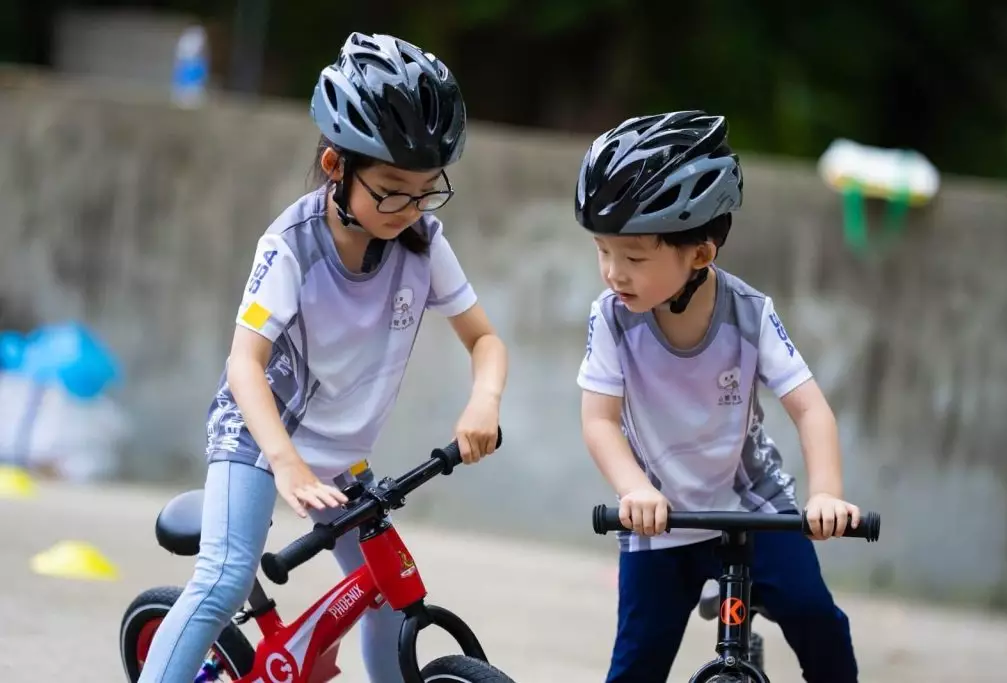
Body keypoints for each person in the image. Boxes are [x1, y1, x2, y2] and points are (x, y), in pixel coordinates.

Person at [138, 32, 508, 683]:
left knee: (388, 590)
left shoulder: (422, 242)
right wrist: (283, 461)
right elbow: (244, 364)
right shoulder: (292, 246)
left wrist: (485, 399)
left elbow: (485, 339)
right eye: (391, 189)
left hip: (340, 453)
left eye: (426, 190)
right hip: (260, 437)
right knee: (223, 580)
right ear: (337, 165)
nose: (410, 209)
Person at [574, 110, 860, 683]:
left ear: (700, 255)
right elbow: (599, 421)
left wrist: (826, 494)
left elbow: (810, 409)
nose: (613, 273)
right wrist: (634, 490)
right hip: (660, 520)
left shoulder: (749, 315)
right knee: (636, 665)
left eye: (633, 257)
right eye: (604, 251)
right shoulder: (611, 320)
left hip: (751, 506)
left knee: (817, 620)